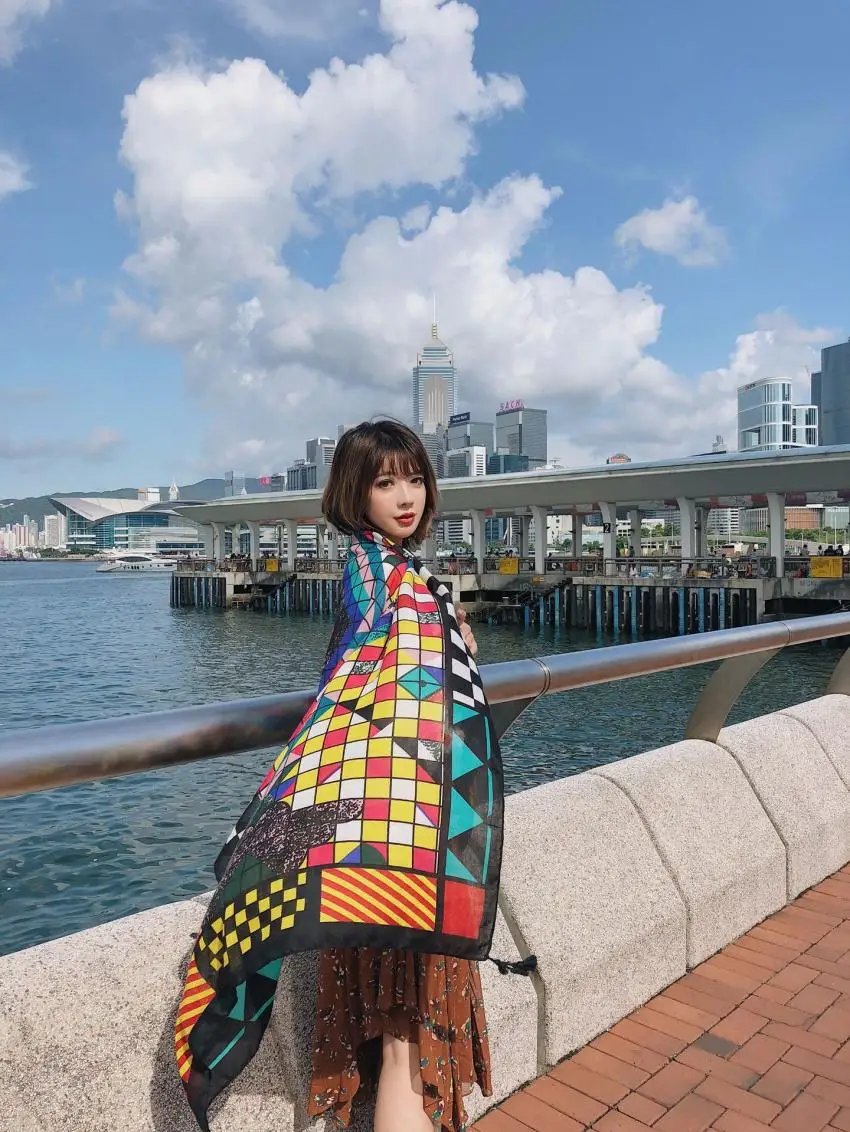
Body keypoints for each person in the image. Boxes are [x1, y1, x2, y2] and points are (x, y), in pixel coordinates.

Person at [176, 420, 501, 1132]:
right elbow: (376, 670)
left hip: (377, 826)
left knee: (401, 1036)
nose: (406, 497)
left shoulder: (384, 569)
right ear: (355, 493)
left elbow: (364, 673)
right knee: (406, 1041)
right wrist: (444, 635)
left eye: (414, 479)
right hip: (398, 839)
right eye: (385, 482)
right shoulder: (381, 575)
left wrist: (447, 634)